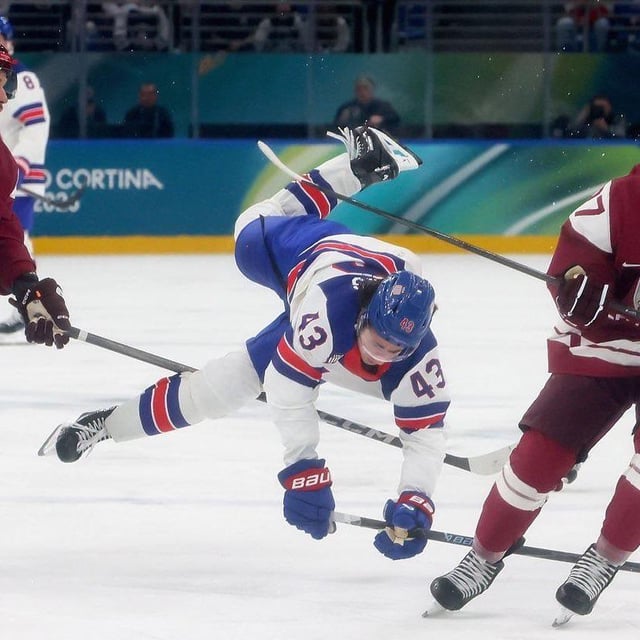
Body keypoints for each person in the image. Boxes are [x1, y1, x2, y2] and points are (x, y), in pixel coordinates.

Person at [42, 125, 452, 560]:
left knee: (219, 387)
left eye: (396, 348)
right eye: (378, 339)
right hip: (313, 256)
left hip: (373, 277)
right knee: (246, 233)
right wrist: (303, 467)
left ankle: (109, 423)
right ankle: (353, 169)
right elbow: (288, 390)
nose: (382, 353)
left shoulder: (418, 357)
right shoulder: (327, 311)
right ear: (365, 314)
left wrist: (415, 498)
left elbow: (426, 435)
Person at [429, 164, 640, 622]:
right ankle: (483, 556)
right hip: (603, 341)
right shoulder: (623, 200)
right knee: (541, 452)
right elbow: (572, 266)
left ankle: (605, 558)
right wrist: (580, 292)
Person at [0, 43, 71, 348]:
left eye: (5, 84)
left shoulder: (2, 163)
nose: (4, 97)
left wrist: (26, 285)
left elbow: (2, 229)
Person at [0, 15, 52, 336]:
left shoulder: (24, 79)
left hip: (16, 173)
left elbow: (35, 127)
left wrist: (17, 167)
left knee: (15, 237)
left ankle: (27, 300)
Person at [333, 75, 400, 136]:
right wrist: (342, 120)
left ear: (372, 90)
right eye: (359, 89)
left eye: (365, 88)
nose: (362, 92)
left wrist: (382, 119)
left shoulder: (383, 106)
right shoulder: (347, 108)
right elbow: (335, 127)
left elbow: (395, 120)